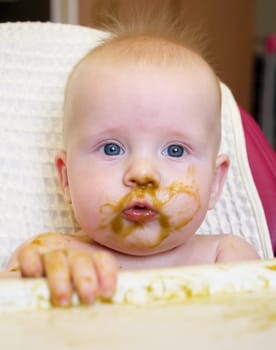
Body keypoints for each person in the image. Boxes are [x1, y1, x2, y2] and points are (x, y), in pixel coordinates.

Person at [4, 13, 259, 307]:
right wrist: (41, 286)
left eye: (175, 151)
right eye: (111, 148)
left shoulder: (225, 256)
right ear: (65, 178)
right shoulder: (50, 253)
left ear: (215, 183)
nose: (142, 173)